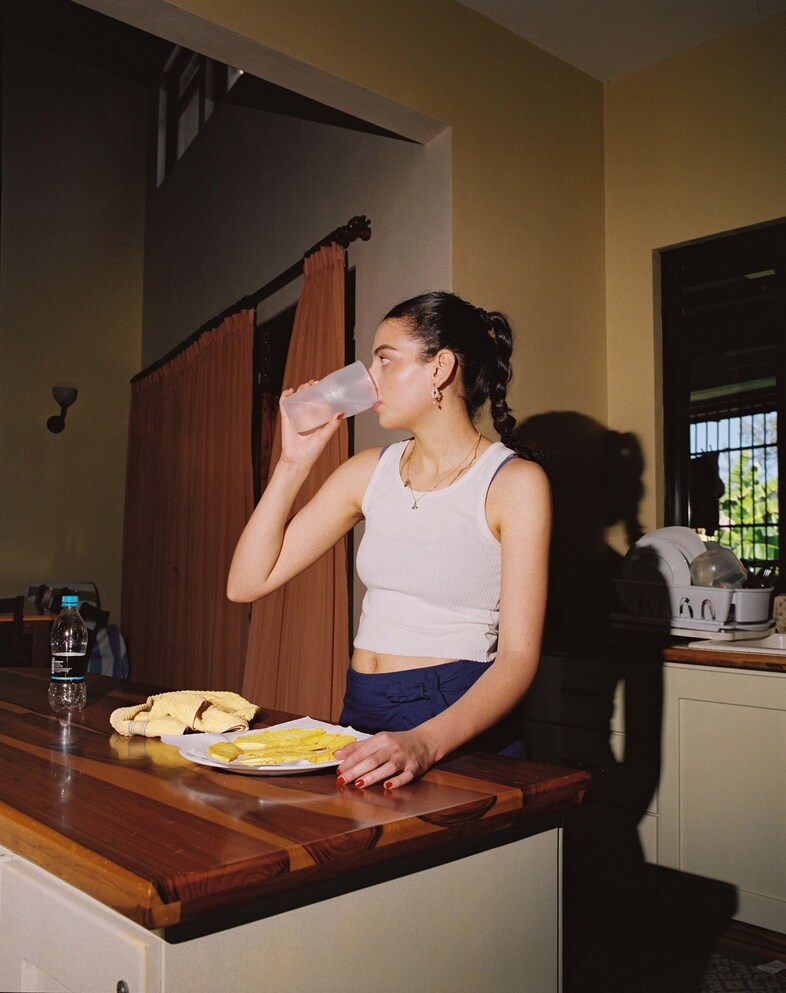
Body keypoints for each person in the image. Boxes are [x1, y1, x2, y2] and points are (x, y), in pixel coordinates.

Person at [227, 291, 551, 790]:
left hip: (453, 716)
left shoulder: (514, 483)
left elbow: (518, 658)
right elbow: (246, 583)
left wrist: (424, 742)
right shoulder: (368, 471)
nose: (369, 379)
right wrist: (292, 463)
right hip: (363, 704)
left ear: (440, 368)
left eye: (385, 360)